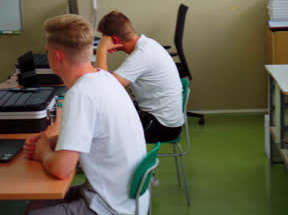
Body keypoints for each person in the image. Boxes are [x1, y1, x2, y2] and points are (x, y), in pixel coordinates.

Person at [23, 14, 149, 215]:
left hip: (111, 208)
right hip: (125, 199)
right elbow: (94, 135)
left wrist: (43, 152)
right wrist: (53, 142)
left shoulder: (81, 94)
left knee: (34, 212)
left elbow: (61, 169)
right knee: (36, 204)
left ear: (57, 56)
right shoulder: (104, 79)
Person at [95, 11, 184, 143]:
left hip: (161, 126)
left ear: (115, 40)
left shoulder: (142, 54)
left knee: (100, 132)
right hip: (160, 118)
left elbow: (106, 88)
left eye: (104, 39)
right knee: (102, 120)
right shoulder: (147, 44)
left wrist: (101, 50)